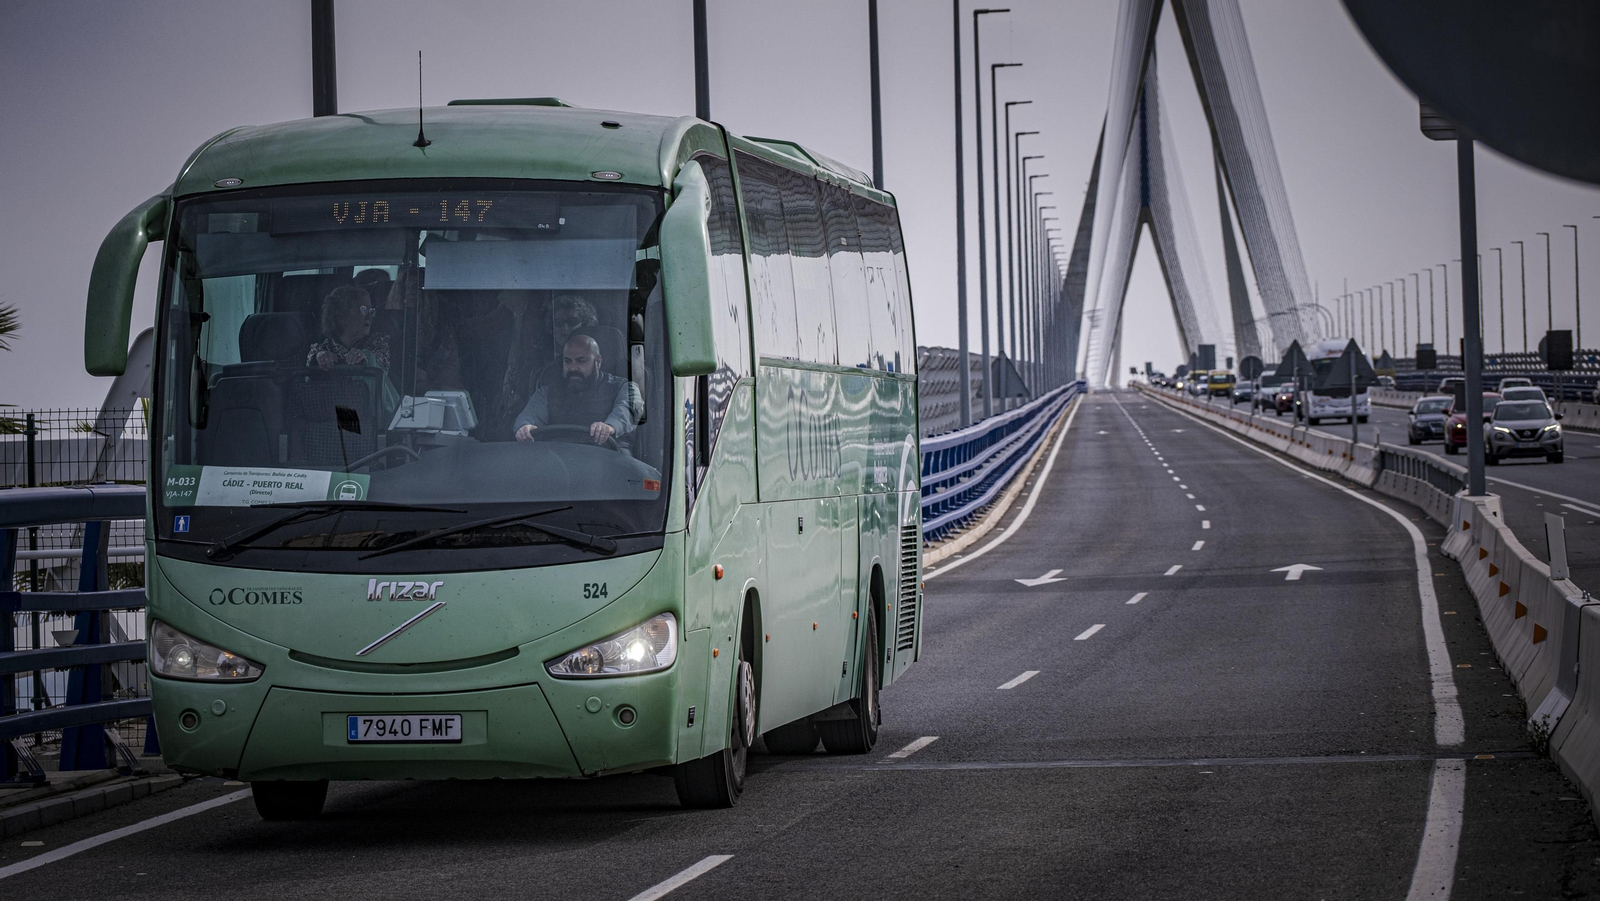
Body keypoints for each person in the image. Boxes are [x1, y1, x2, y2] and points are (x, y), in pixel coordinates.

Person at [514, 334, 642, 446]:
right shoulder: (547, 392)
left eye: (581, 361)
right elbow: (529, 415)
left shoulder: (622, 387)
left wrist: (610, 427)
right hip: (559, 456)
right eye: (567, 361)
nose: (573, 368)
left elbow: (629, 410)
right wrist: (525, 427)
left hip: (608, 456)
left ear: (597, 361)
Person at [307, 285, 389, 371]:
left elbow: (382, 370)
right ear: (341, 314)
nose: (369, 317)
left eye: (371, 311)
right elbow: (307, 377)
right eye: (363, 310)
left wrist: (366, 358)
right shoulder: (322, 347)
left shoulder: (378, 342)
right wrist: (319, 359)